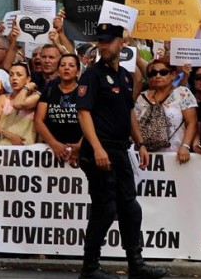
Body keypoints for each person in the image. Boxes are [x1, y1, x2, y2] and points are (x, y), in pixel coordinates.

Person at [75, 23, 167, 279]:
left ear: (121, 44)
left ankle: (136, 264)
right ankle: (90, 267)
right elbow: (83, 113)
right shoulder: (91, 75)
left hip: (120, 150)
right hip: (99, 150)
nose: (104, 45)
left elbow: (129, 114)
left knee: (130, 207)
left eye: (109, 41)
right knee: (104, 208)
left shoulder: (125, 76)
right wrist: (96, 147)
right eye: (100, 41)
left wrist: (140, 143)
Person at [135, 59, 197, 164]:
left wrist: (185, 146)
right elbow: (135, 124)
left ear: (173, 75)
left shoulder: (182, 93)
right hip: (145, 155)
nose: (158, 76)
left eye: (163, 72)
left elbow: (191, 122)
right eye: (153, 73)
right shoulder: (142, 97)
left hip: (175, 155)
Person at [35, 54, 83, 165]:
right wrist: (53, 143)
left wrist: (81, 145)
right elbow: (38, 121)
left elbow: (92, 121)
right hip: (50, 150)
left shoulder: (84, 92)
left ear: (78, 71)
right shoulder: (48, 91)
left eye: (71, 65)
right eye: (62, 65)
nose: (66, 68)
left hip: (78, 151)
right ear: (58, 71)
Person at [0, 61, 40, 146]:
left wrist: (27, 87)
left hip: (27, 151)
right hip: (3, 149)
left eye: (19, 75)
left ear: (28, 79)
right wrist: (10, 135)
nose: (14, 78)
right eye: (11, 75)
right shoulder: (3, 98)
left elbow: (19, 104)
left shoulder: (35, 97)